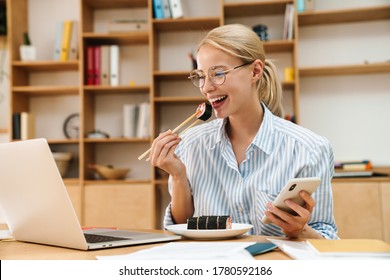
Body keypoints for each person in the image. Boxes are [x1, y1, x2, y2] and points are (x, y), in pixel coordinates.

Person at [149, 24, 338, 239]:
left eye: (218, 73)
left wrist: (300, 230)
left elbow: (327, 239)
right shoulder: (189, 145)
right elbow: (183, 234)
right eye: (201, 76)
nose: (207, 88)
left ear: (255, 71)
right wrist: (178, 175)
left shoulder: (310, 149)